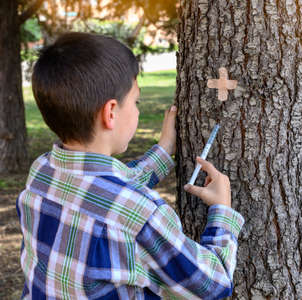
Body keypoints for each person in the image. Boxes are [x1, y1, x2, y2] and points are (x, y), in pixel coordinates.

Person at [16, 32, 244, 299]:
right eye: (135, 102)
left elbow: (105, 191)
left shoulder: (41, 172)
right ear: (110, 113)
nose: (137, 111)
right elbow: (213, 284)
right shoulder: (142, 214)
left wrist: (163, 152)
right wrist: (222, 211)